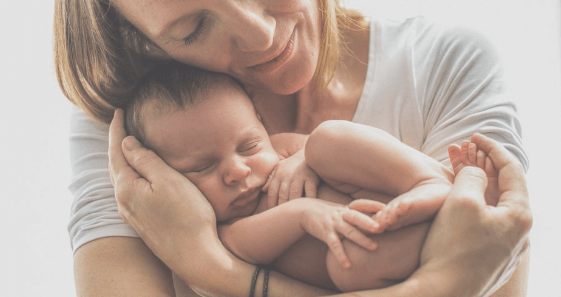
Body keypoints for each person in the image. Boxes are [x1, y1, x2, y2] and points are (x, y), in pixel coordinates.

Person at [54, 0, 532, 295]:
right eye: (191, 29)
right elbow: (466, 272)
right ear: (142, 39)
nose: (259, 33)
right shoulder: (137, 129)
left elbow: (490, 267)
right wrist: (442, 284)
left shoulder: (439, 66)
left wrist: (214, 270)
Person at [123, 62, 463, 291]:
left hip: (394, 198)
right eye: (202, 168)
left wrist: (305, 158)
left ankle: (428, 182)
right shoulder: (220, 233)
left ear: (261, 123)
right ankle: (442, 223)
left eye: (249, 145)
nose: (238, 170)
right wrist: (303, 214)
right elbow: (243, 246)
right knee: (350, 264)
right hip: (387, 253)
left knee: (327, 140)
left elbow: (348, 155)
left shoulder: (282, 148)